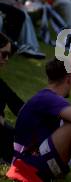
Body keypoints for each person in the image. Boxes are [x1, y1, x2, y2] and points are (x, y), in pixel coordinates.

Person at [6, 58, 71, 181]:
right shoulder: (48, 98)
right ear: (69, 78)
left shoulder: (45, 97)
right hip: (28, 164)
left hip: (27, 160)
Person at [0, 32, 24, 164]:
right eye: (4, 54)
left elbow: (19, 106)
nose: (7, 59)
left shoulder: (1, 85)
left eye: (9, 55)